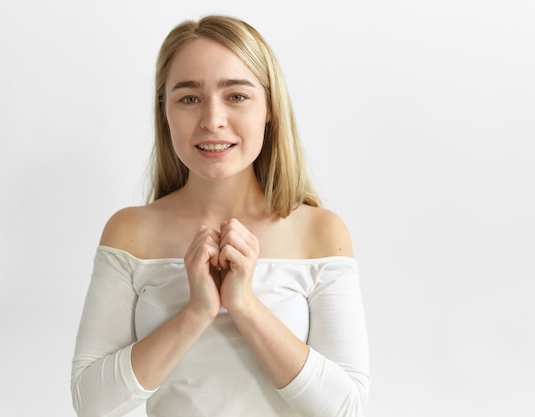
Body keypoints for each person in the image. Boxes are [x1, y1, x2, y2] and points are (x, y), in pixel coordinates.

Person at [71, 15, 370, 417]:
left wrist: (243, 303)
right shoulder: (130, 231)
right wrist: (196, 312)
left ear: (269, 107)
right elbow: (92, 404)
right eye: (189, 98)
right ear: (166, 112)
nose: (212, 120)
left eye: (236, 96)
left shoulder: (318, 231)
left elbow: (347, 408)